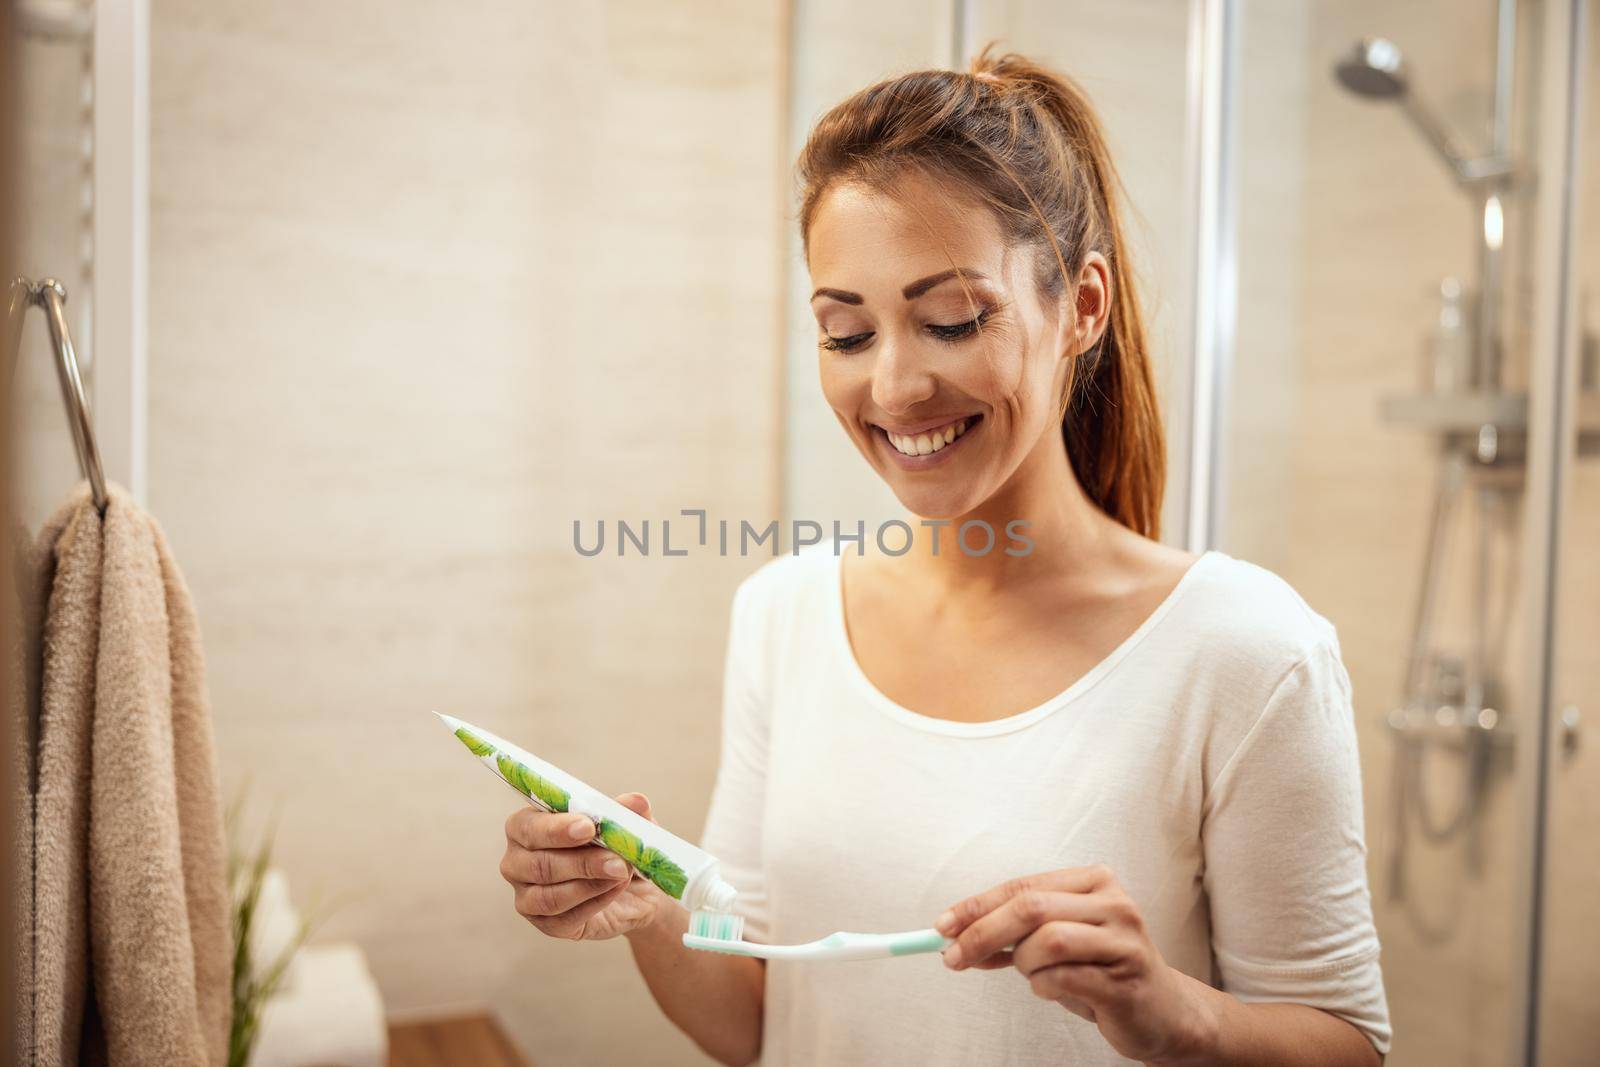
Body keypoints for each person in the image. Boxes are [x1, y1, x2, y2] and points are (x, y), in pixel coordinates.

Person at [498, 45, 1390, 1067]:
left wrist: (1172, 1010)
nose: (895, 387)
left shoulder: (1244, 648)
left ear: (1081, 307)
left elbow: (1348, 1042)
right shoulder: (783, 611)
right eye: (845, 333)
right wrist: (642, 905)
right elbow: (758, 1018)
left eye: (951, 318)